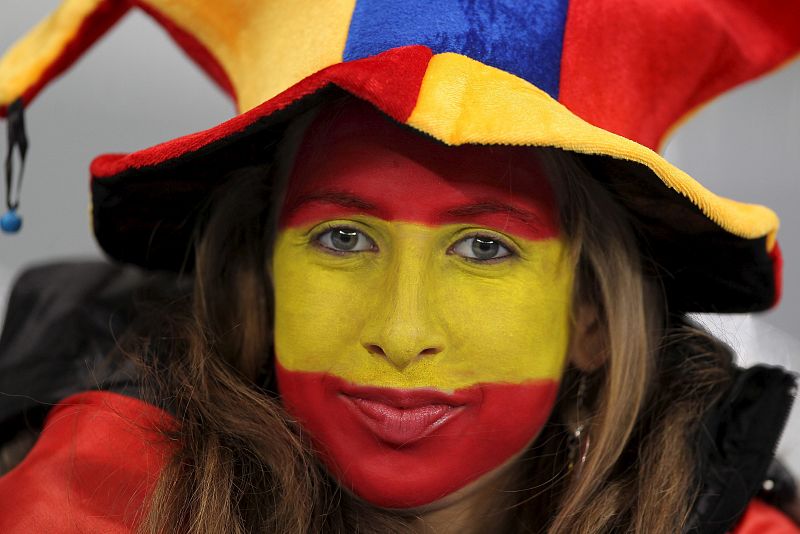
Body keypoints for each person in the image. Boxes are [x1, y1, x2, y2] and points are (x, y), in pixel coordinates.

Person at [0, 1, 799, 533]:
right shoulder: (82, 503)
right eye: (343, 238)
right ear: (262, 275)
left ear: (589, 317)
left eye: (484, 247)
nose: (401, 332)